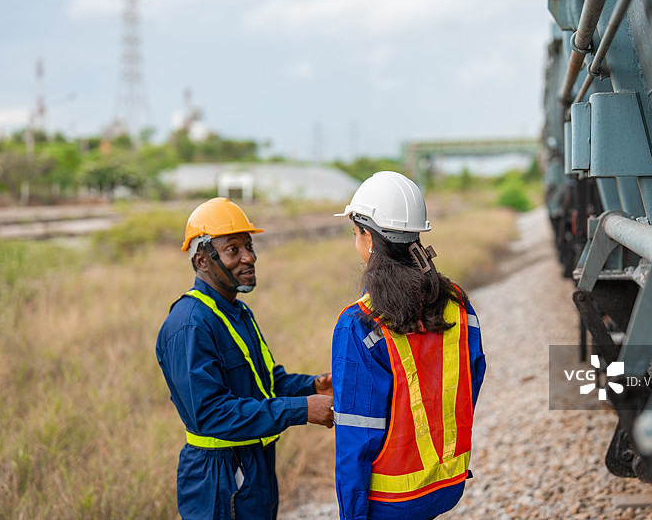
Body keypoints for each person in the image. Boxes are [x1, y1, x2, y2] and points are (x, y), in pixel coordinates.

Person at [156, 197, 335, 520]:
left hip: (254, 465)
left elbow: (267, 381)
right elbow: (209, 414)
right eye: (233, 249)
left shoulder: (238, 312)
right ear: (202, 260)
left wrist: (312, 387)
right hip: (219, 479)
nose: (249, 257)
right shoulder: (190, 323)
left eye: (249, 246)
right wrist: (301, 410)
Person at [330, 171, 487, 520]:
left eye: (356, 232)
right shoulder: (457, 303)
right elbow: (468, 382)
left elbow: (357, 436)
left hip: (391, 498)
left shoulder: (359, 322)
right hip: (447, 483)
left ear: (368, 237)